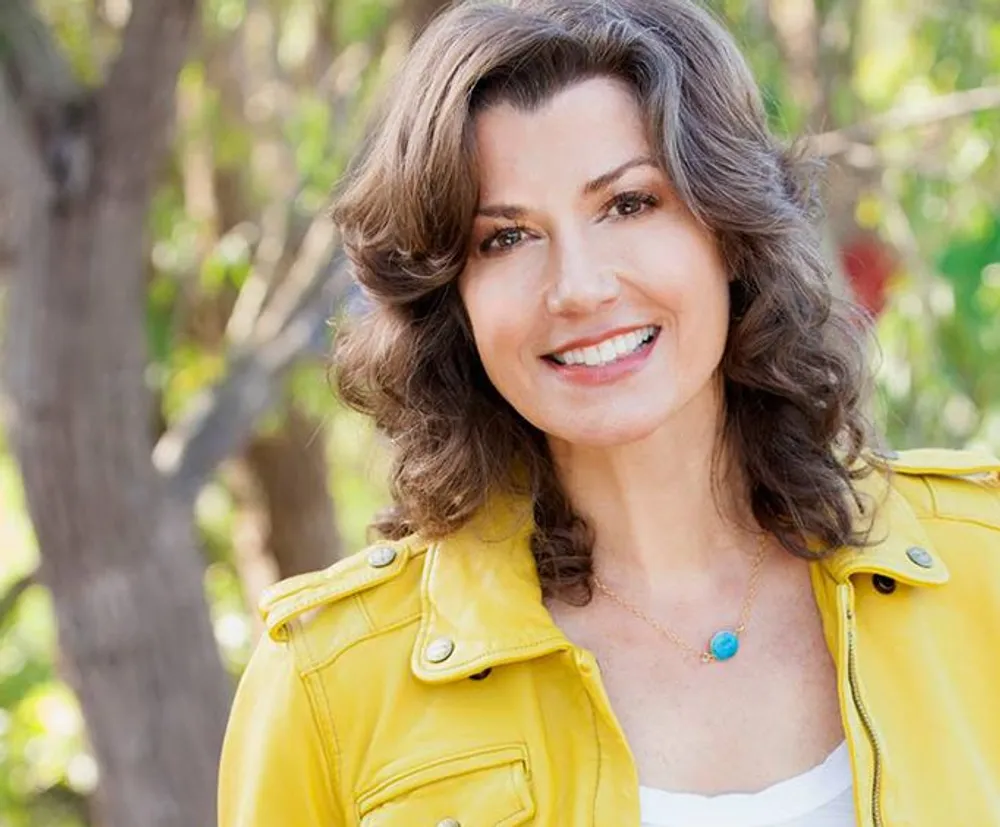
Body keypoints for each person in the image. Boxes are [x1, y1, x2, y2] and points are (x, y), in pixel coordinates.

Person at [217, 0, 1000, 825]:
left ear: (728, 232)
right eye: (506, 239)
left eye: (628, 204)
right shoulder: (331, 684)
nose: (580, 287)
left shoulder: (982, 571)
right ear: (453, 301)